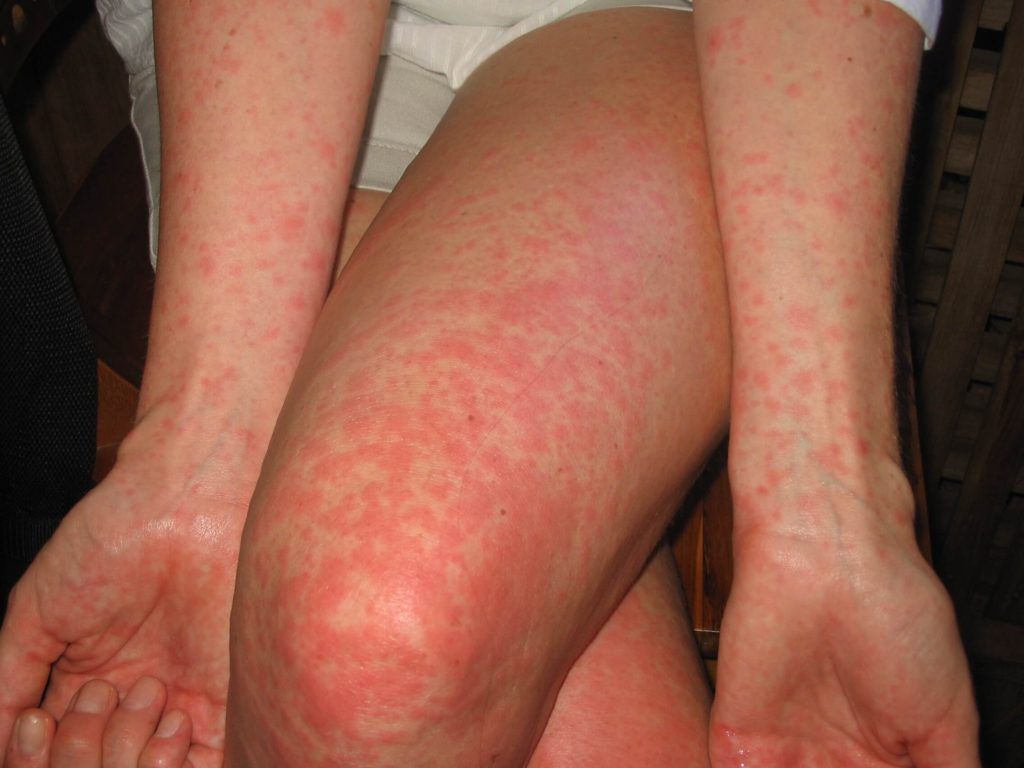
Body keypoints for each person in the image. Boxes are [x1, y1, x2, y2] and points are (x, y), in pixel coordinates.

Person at [0, 0, 980, 765]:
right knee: (394, 663)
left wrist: (826, 507)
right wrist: (201, 457)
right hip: (261, 60)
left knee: (371, 642)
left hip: (664, 29)